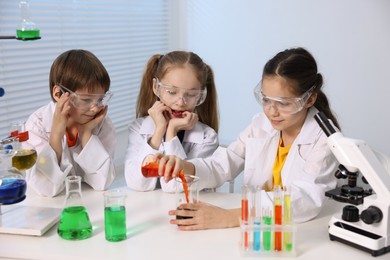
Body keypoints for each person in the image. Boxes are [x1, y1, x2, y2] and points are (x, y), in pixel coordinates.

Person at [155, 47, 340, 230]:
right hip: (256, 231)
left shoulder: (324, 139)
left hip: (295, 233)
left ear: (309, 99)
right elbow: (224, 163)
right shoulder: (261, 125)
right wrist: (184, 166)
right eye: (266, 100)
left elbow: (305, 200)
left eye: (283, 103)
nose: (271, 111)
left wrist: (229, 216)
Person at [23, 49, 116, 197]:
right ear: (58, 93)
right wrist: (56, 136)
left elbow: (102, 183)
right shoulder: (36, 126)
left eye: (99, 99)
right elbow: (46, 189)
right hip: (50, 209)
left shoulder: (101, 124)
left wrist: (86, 134)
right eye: (86, 100)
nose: (95, 108)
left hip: (89, 203)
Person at [124, 51, 219, 192]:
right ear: (156, 87)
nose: (181, 102)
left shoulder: (207, 137)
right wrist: (159, 131)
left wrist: (171, 132)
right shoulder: (138, 128)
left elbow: (175, 187)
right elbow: (137, 183)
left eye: (191, 94)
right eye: (172, 92)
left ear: (201, 95)